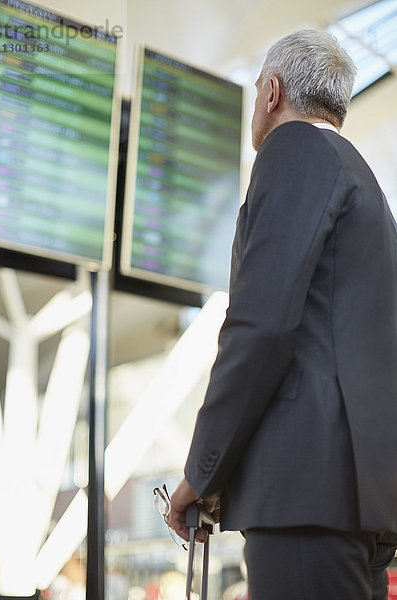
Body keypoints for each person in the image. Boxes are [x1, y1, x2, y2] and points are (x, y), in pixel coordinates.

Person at [168, 29, 397, 599]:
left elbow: (262, 324)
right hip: (358, 499)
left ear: (271, 92)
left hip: (304, 496)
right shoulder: (361, 179)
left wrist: (204, 469)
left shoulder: (293, 151)